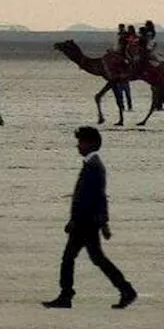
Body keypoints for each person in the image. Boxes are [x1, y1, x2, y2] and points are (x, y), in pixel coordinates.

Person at [41, 126, 138, 310]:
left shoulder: (94, 167)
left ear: (91, 144)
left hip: (86, 222)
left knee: (72, 258)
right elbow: (98, 197)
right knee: (94, 259)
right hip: (89, 221)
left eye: (81, 142)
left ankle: (67, 295)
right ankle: (125, 290)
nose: (78, 146)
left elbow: (93, 197)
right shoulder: (93, 165)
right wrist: (103, 222)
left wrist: (77, 220)